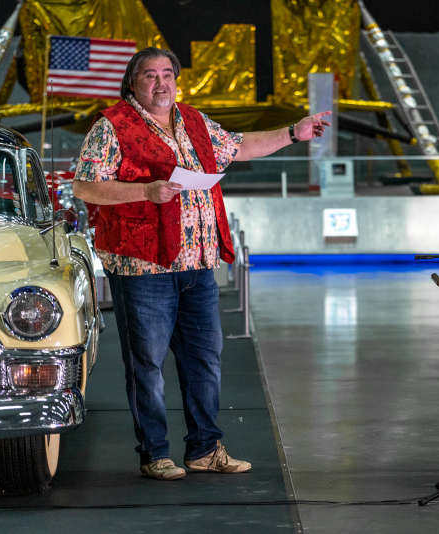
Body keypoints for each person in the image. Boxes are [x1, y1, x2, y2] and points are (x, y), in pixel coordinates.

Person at [73, 47, 331, 481]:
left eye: (167, 74)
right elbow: (85, 186)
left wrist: (293, 132)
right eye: (150, 75)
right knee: (148, 365)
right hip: (143, 267)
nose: (161, 83)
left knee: (204, 359)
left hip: (197, 264)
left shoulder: (192, 120)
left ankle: (205, 449)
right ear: (132, 82)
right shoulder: (112, 126)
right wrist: (145, 192)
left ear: (177, 80)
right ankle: (155, 453)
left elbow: (240, 147)